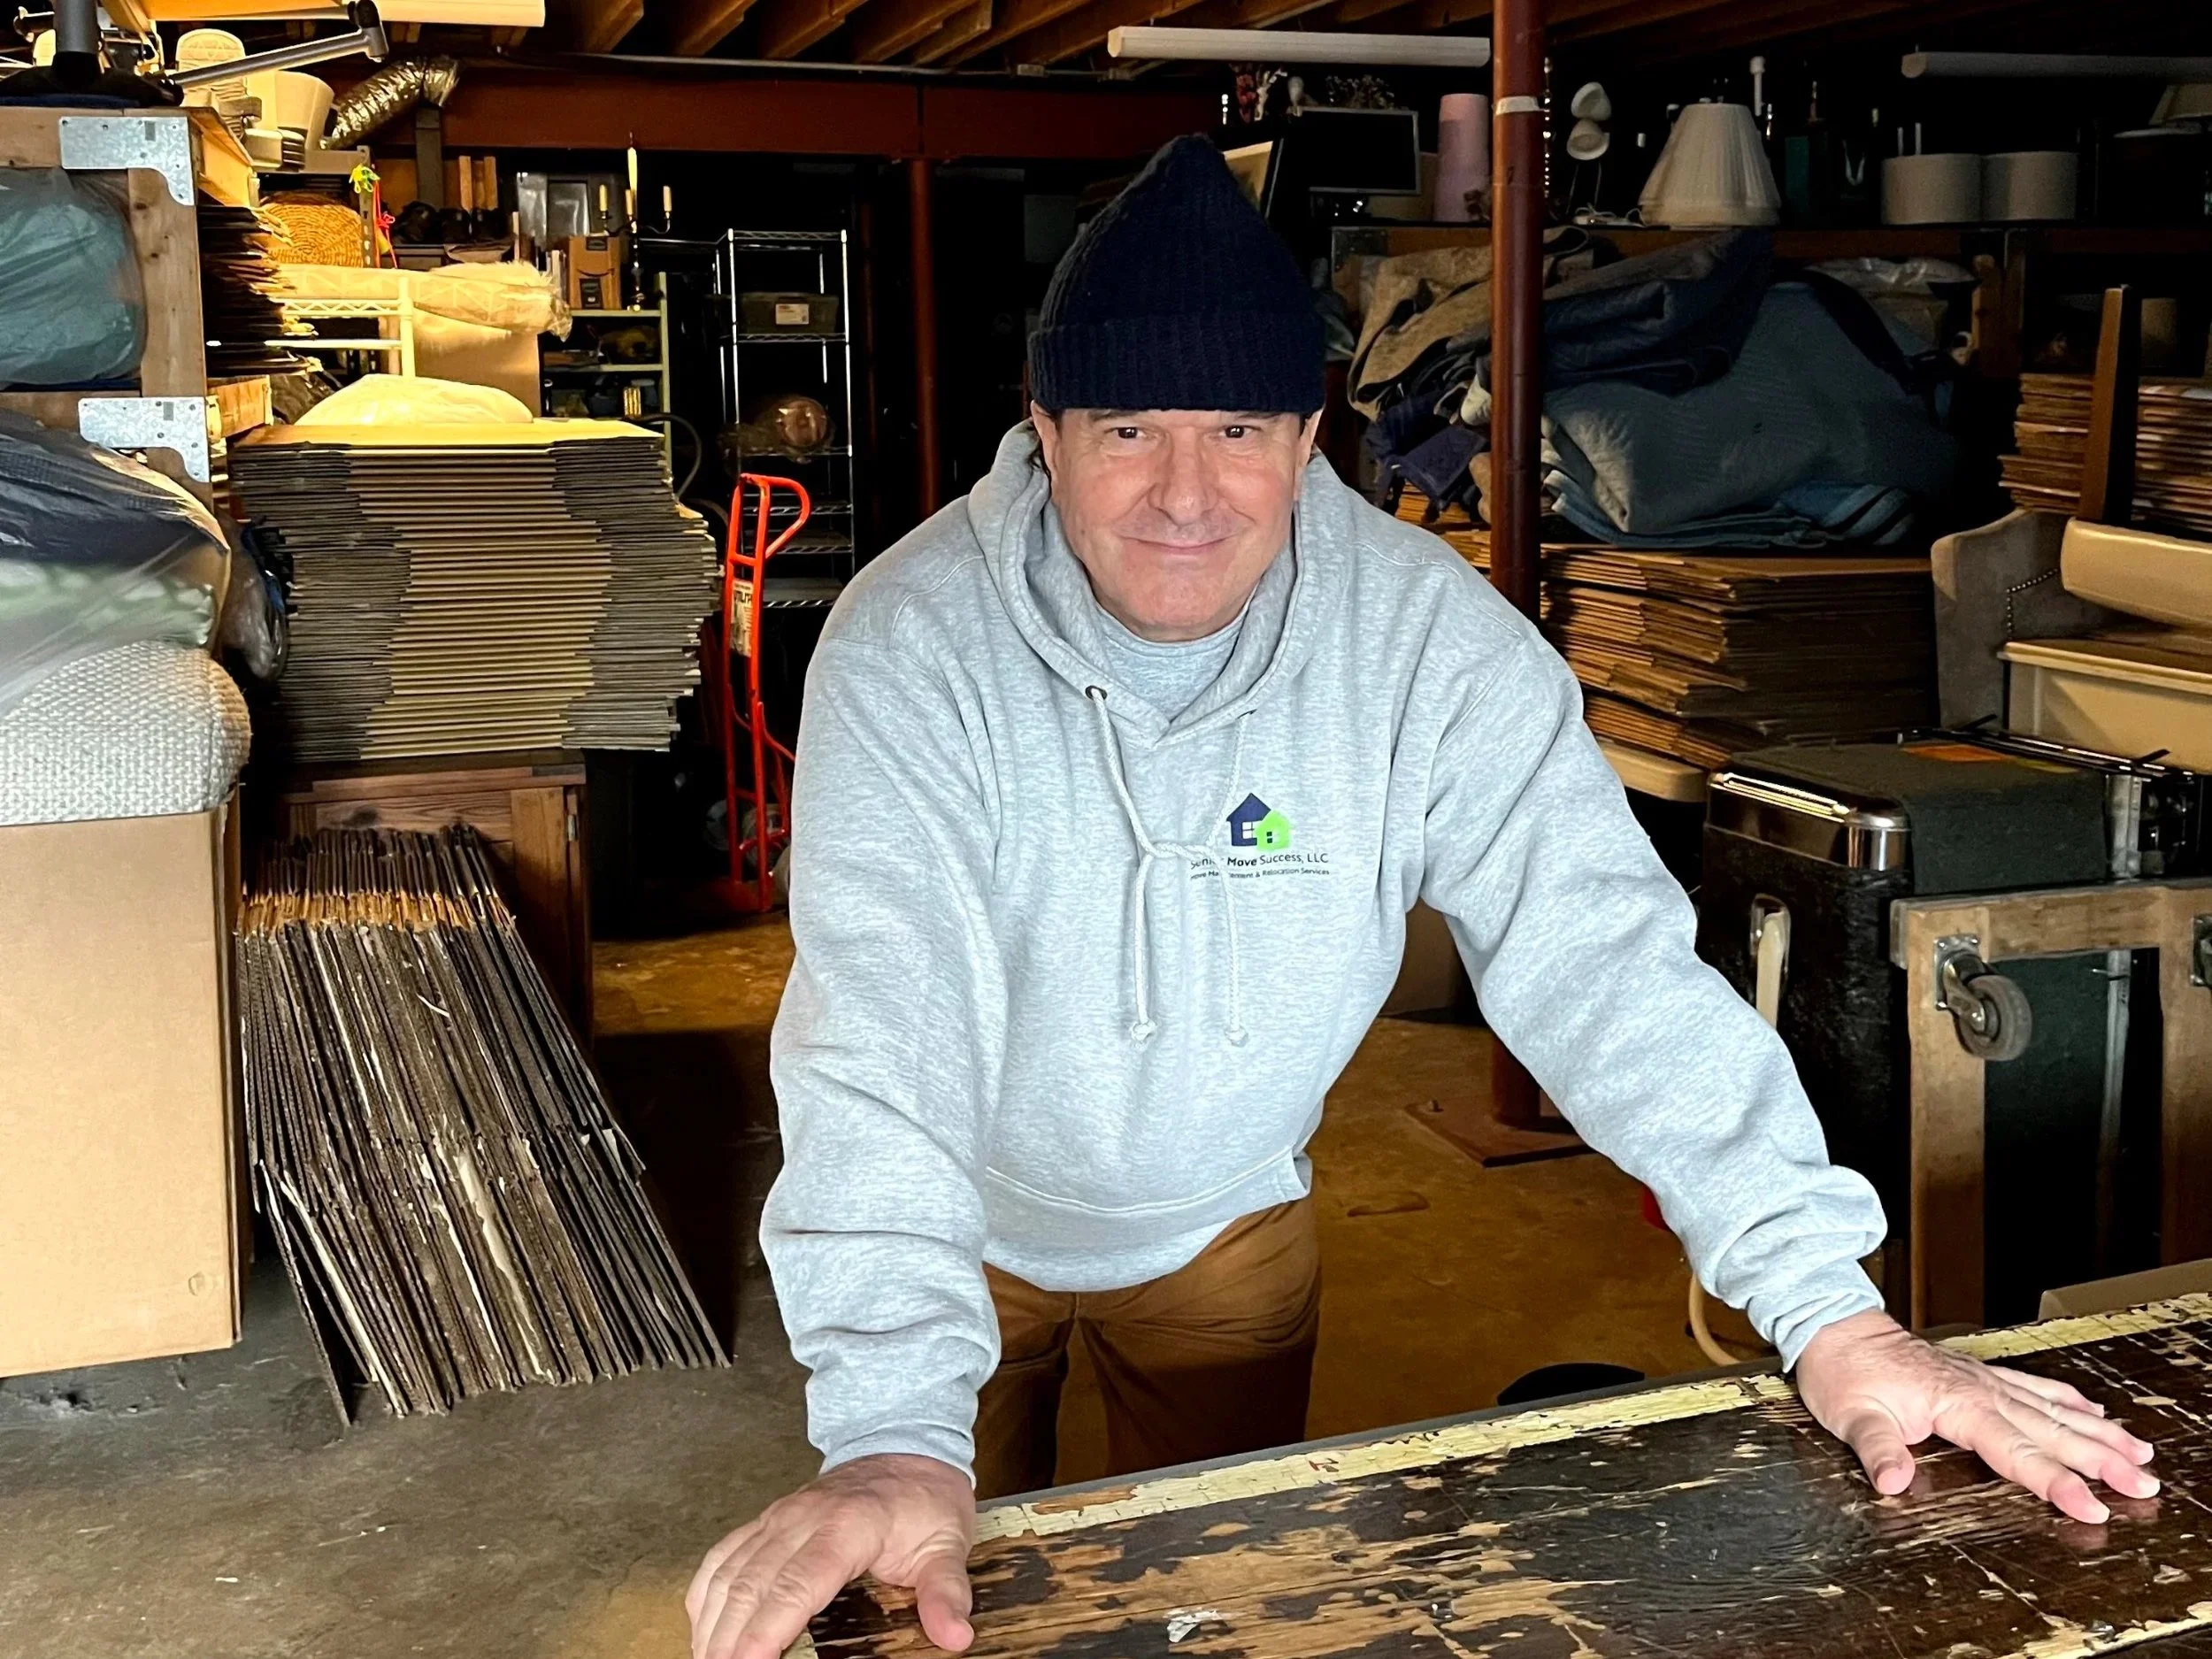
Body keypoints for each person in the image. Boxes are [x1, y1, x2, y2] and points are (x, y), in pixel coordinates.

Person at [686, 136, 2158, 1659]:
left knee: (1206, 1614)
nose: (1186, 494)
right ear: (1044, 430)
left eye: (1239, 429)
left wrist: (1830, 1310)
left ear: (1309, 432)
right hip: (958, 1223)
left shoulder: (1425, 646)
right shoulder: (913, 646)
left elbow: (1607, 965)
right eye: (1128, 427)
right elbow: (881, 1030)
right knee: (941, 1607)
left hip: (1227, 1228)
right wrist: (888, 1430)